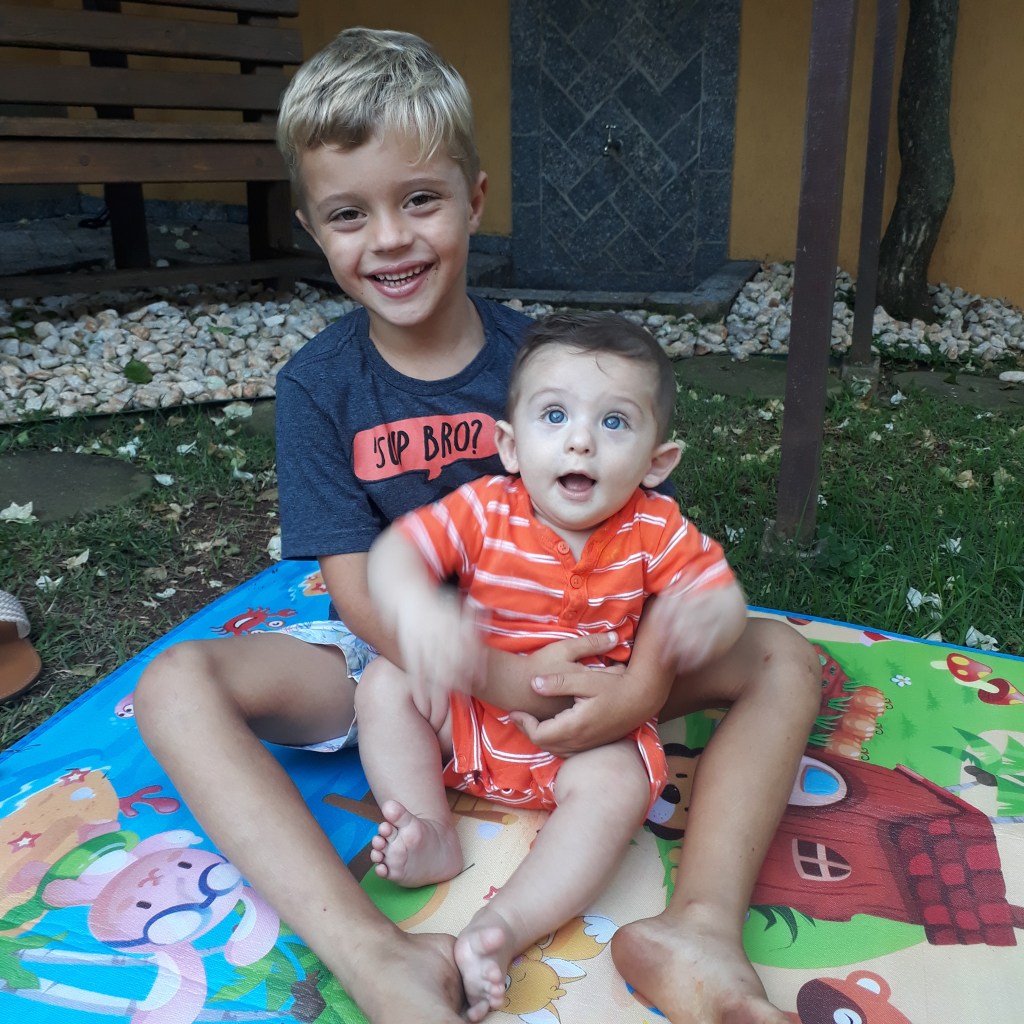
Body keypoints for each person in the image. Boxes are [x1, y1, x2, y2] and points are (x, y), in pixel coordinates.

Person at [133, 25, 821, 1024]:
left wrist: (638, 687)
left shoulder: (546, 363)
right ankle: (377, 954)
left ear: (475, 200)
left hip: (579, 647)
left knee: (785, 657)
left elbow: (642, 531)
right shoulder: (318, 385)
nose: (390, 238)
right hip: (399, 661)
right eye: (350, 213)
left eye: (420, 199)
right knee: (173, 682)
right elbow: (357, 589)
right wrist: (493, 676)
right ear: (313, 228)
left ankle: (700, 929)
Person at [358, 310, 749, 1020]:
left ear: (657, 463)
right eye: (555, 415)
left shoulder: (655, 528)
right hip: (473, 720)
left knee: (618, 786)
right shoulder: (483, 510)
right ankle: (430, 828)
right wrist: (418, 608)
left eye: (614, 422)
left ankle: (501, 927)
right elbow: (393, 557)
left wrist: (707, 619)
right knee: (387, 681)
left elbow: (719, 594)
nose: (580, 440)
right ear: (510, 445)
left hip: (584, 737)